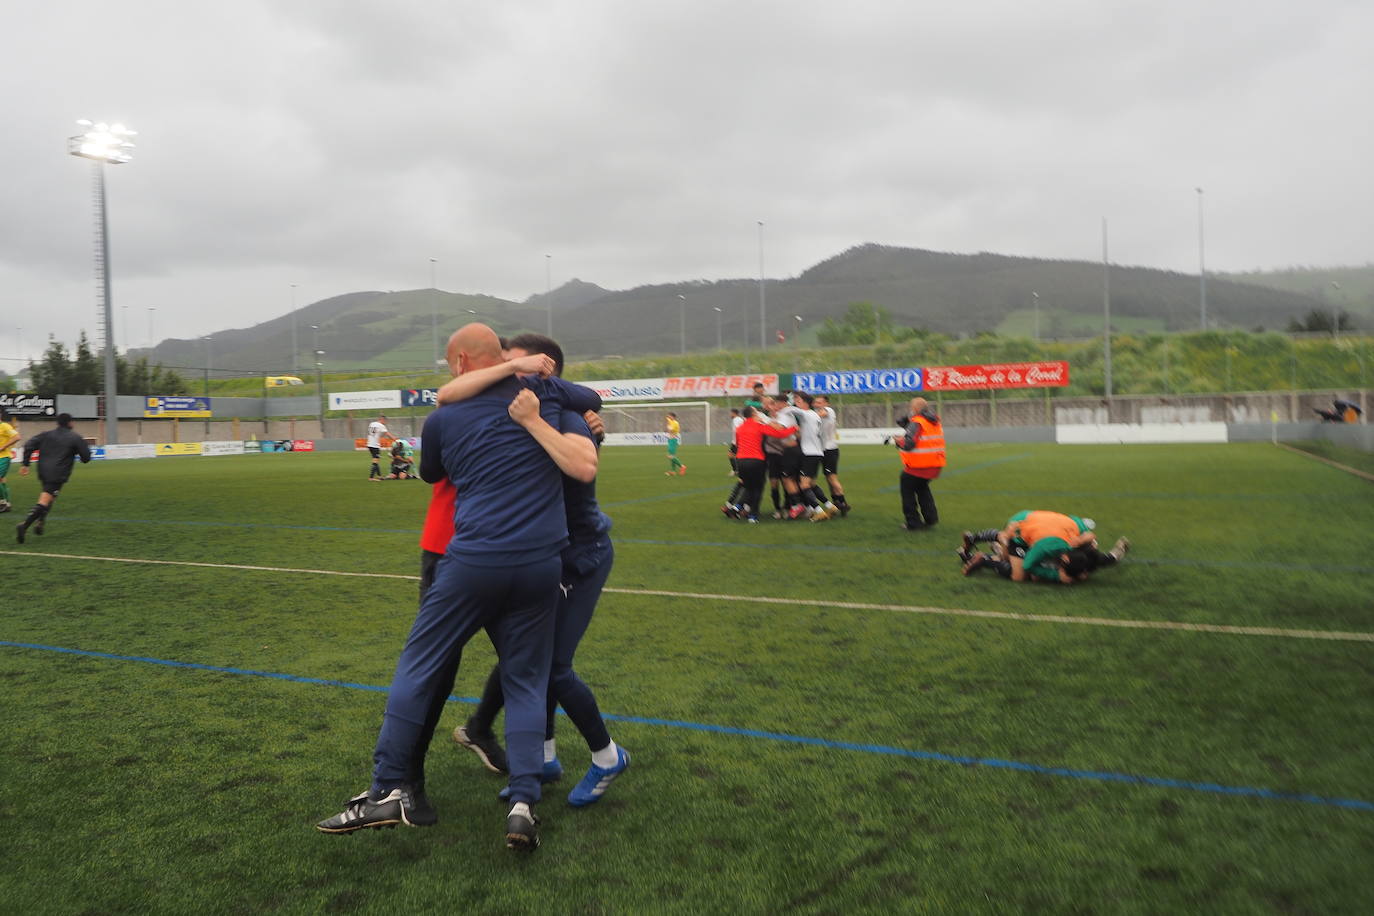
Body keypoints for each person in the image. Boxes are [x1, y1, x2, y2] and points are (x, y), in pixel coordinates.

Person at [315, 324, 598, 852]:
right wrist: (539, 382)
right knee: (526, 681)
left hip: (472, 560)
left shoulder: (444, 417)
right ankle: (522, 803)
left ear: (464, 362)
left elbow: (431, 471)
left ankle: (391, 785)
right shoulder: (543, 395)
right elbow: (589, 401)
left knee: (419, 664)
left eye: (451, 364)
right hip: (539, 565)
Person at [447, 333, 630, 809]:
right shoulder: (511, 408)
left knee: (550, 666)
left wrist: (534, 422)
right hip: (543, 558)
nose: (508, 375)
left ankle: (607, 757)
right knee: (529, 659)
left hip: (580, 557)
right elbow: (447, 394)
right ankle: (544, 757)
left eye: (515, 367)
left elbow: (583, 466)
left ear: (544, 373)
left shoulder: (561, 412)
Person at [961, 510, 1129, 583]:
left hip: (1041, 522)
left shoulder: (1079, 533)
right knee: (1019, 575)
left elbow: (1091, 536)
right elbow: (1029, 567)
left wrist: (1088, 542)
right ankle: (986, 559)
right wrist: (1057, 576)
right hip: (1020, 527)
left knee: (1091, 545)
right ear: (1063, 558)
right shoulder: (1046, 547)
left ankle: (994, 548)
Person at [15, 413, 92, 544]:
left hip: (43, 471)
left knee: (51, 497)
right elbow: (86, 458)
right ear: (70, 423)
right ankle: (24, 526)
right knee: (45, 500)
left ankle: (40, 522)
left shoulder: (46, 435)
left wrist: (25, 464)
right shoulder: (75, 438)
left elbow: (28, 445)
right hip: (58, 474)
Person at [723, 405, 798, 523]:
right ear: (753, 415)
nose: (758, 414)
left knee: (748, 487)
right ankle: (753, 516)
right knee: (758, 488)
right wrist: (794, 428)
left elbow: (737, 444)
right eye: (757, 412)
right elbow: (780, 434)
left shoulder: (740, 428)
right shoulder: (759, 426)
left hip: (741, 461)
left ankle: (736, 508)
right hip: (756, 461)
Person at [891, 397, 945, 530]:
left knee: (907, 488)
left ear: (914, 409)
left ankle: (913, 523)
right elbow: (908, 427)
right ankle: (931, 518)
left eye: (911, 407)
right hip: (934, 464)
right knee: (922, 488)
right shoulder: (934, 421)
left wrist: (898, 441)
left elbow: (909, 443)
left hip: (919, 465)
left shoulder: (917, 422)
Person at [790, 391, 840, 521]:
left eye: (798, 400)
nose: (796, 402)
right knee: (811, 484)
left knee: (804, 485)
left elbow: (790, 410)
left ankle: (819, 511)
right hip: (817, 452)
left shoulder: (807, 414)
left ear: (806, 403)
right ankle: (830, 506)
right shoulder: (812, 415)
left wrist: (785, 406)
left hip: (809, 454)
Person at [812, 395, 850, 516]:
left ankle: (843, 503)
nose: (816, 404)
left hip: (829, 449)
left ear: (826, 403)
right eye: (815, 402)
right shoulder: (817, 413)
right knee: (829, 478)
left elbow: (822, 414)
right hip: (823, 449)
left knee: (832, 478)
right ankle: (837, 503)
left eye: (819, 402)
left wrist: (808, 417)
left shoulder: (828, 410)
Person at [0, 409, 19, 513]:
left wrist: (3, 446)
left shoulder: (5, 426)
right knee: (2, 480)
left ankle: (2, 502)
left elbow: (17, 437)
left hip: (4, 457)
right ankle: (7, 504)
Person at [365, 414, 391, 480]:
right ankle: (371, 477)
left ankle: (379, 476)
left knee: (376, 459)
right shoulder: (381, 425)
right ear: (382, 419)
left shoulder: (372, 423)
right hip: (375, 445)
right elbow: (388, 434)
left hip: (369, 444)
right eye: (385, 421)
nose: (385, 422)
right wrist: (396, 440)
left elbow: (374, 433)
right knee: (375, 461)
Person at [726, 408, 743, 477]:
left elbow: (737, 431)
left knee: (732, 455)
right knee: (734, 455)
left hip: (737, 442)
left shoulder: (736, 420)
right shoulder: (739, 419)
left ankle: (736, 470)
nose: (730, 414)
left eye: (731, 413)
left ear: (734, 413)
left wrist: (736, 441)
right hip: (739, 441)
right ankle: (737, 470)